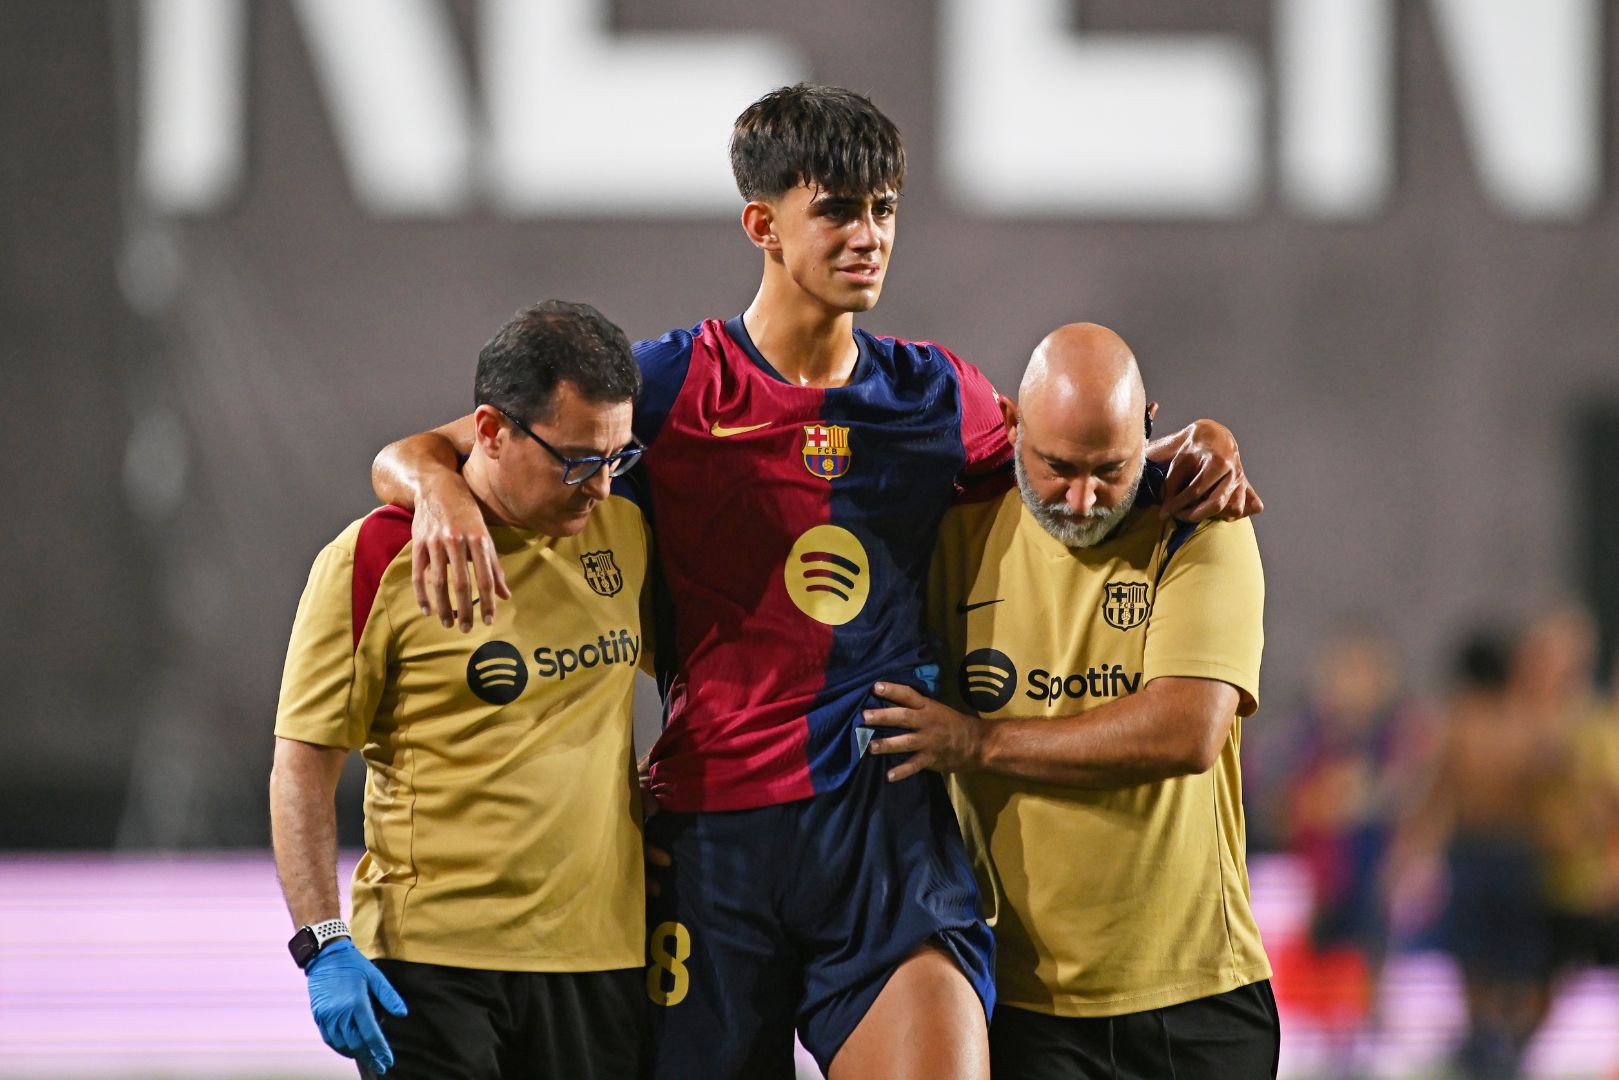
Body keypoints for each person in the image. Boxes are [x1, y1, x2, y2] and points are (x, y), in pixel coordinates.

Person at [371, 86, 1260, 1080]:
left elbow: (1077, 458)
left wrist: (1196, 439)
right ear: (761, 224)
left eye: (882, 209)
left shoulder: (938, 395)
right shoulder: (665, 387)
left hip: (882, 831)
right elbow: (420, 453)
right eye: (834, 209)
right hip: (713, 840)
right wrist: (438, 494)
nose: (867, 235)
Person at [865, 322, 1277, 1078]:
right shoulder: (952, 537)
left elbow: (1186, 731)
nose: (1083, 499)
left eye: (1109, 470)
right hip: (1024, 1006)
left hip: (1199, 999)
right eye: (1056, 467)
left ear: (1150, 429)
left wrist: (978, 742)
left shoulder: (1201, 522)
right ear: (1012, 427)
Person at [269, 301, 650, 1079]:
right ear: (489, 431)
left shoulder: (624, 533)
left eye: (617, 458)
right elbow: (302, 769)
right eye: (577, 461)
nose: (600, 487)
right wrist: (322, 942)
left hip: (603, 958)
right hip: (433, 965)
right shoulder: (374, 559)